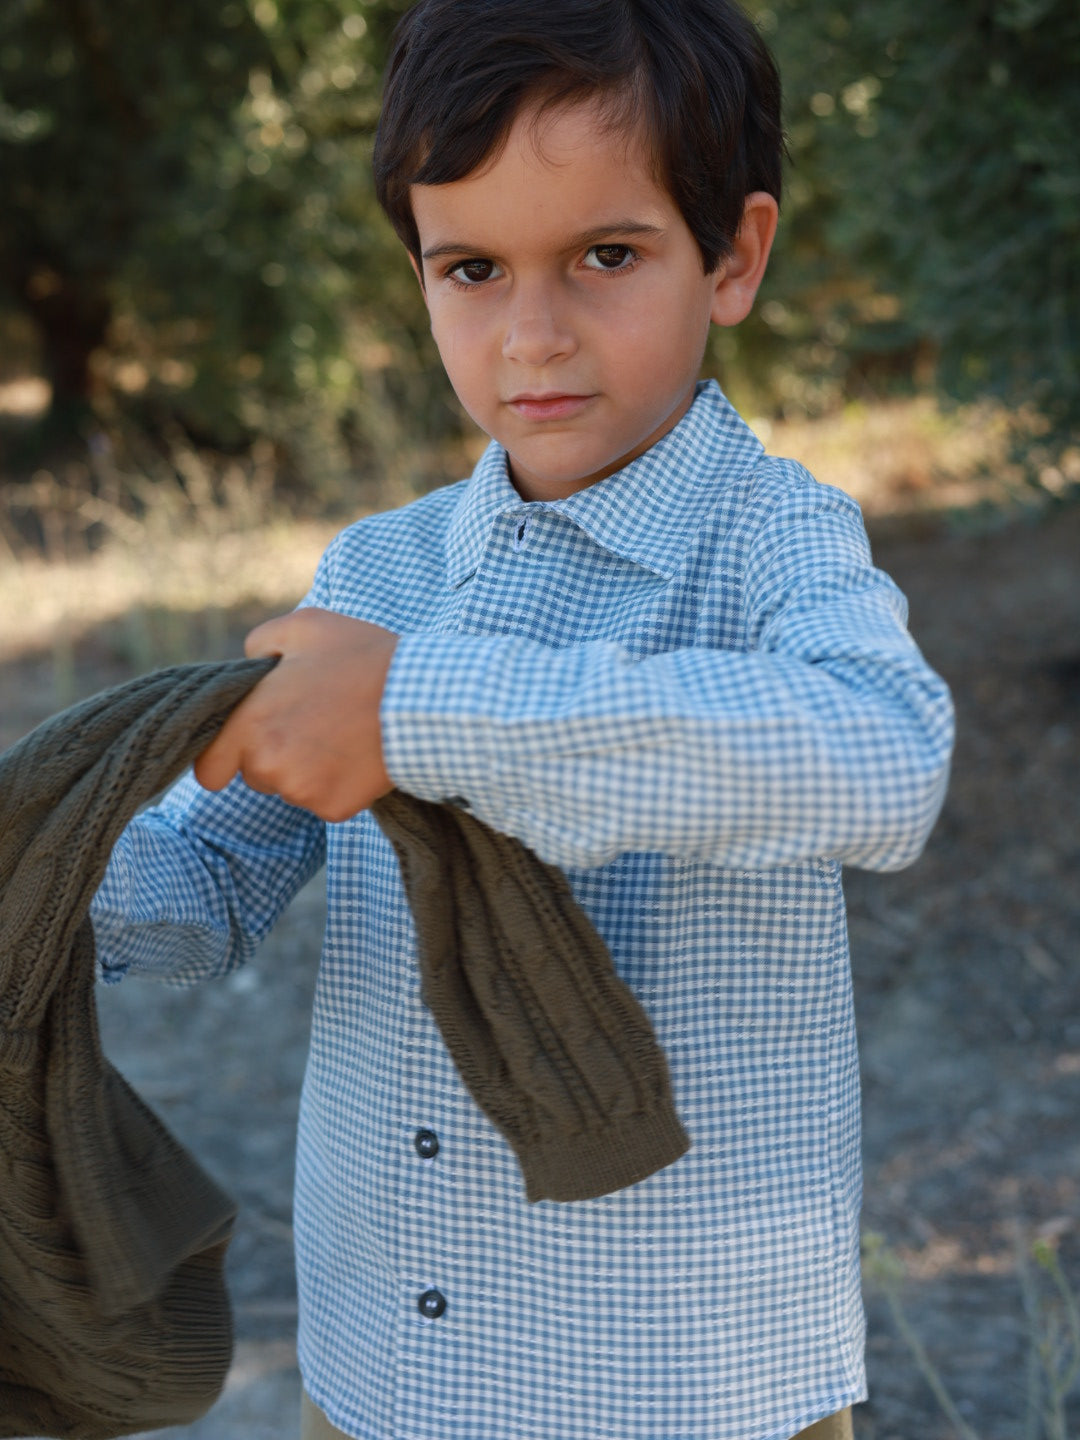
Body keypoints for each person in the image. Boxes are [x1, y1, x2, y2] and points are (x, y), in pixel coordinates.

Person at [91, 1, 955, 1437]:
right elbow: (210, 886)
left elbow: (884, 760)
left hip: (696, 1382)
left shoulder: (775, 543)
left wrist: (419, 712)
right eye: (473, 268)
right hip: (388, 1375)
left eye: (606, 256)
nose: (533, 335)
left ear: (734, 256)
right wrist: (53, 868)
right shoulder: (381, 571)